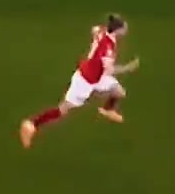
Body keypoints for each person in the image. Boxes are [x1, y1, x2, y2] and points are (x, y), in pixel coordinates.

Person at [20, 14, 139, 149]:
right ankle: (32, 124)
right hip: (85, 80)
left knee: (119, 92)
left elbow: (94, 30)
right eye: (124, 28)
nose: (126, 29)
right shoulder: (108, 48)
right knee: (63, 110)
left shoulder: (102, 31)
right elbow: (109, 70)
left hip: (96, 74)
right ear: (118, 30)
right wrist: (128, 68)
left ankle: (108, 109)